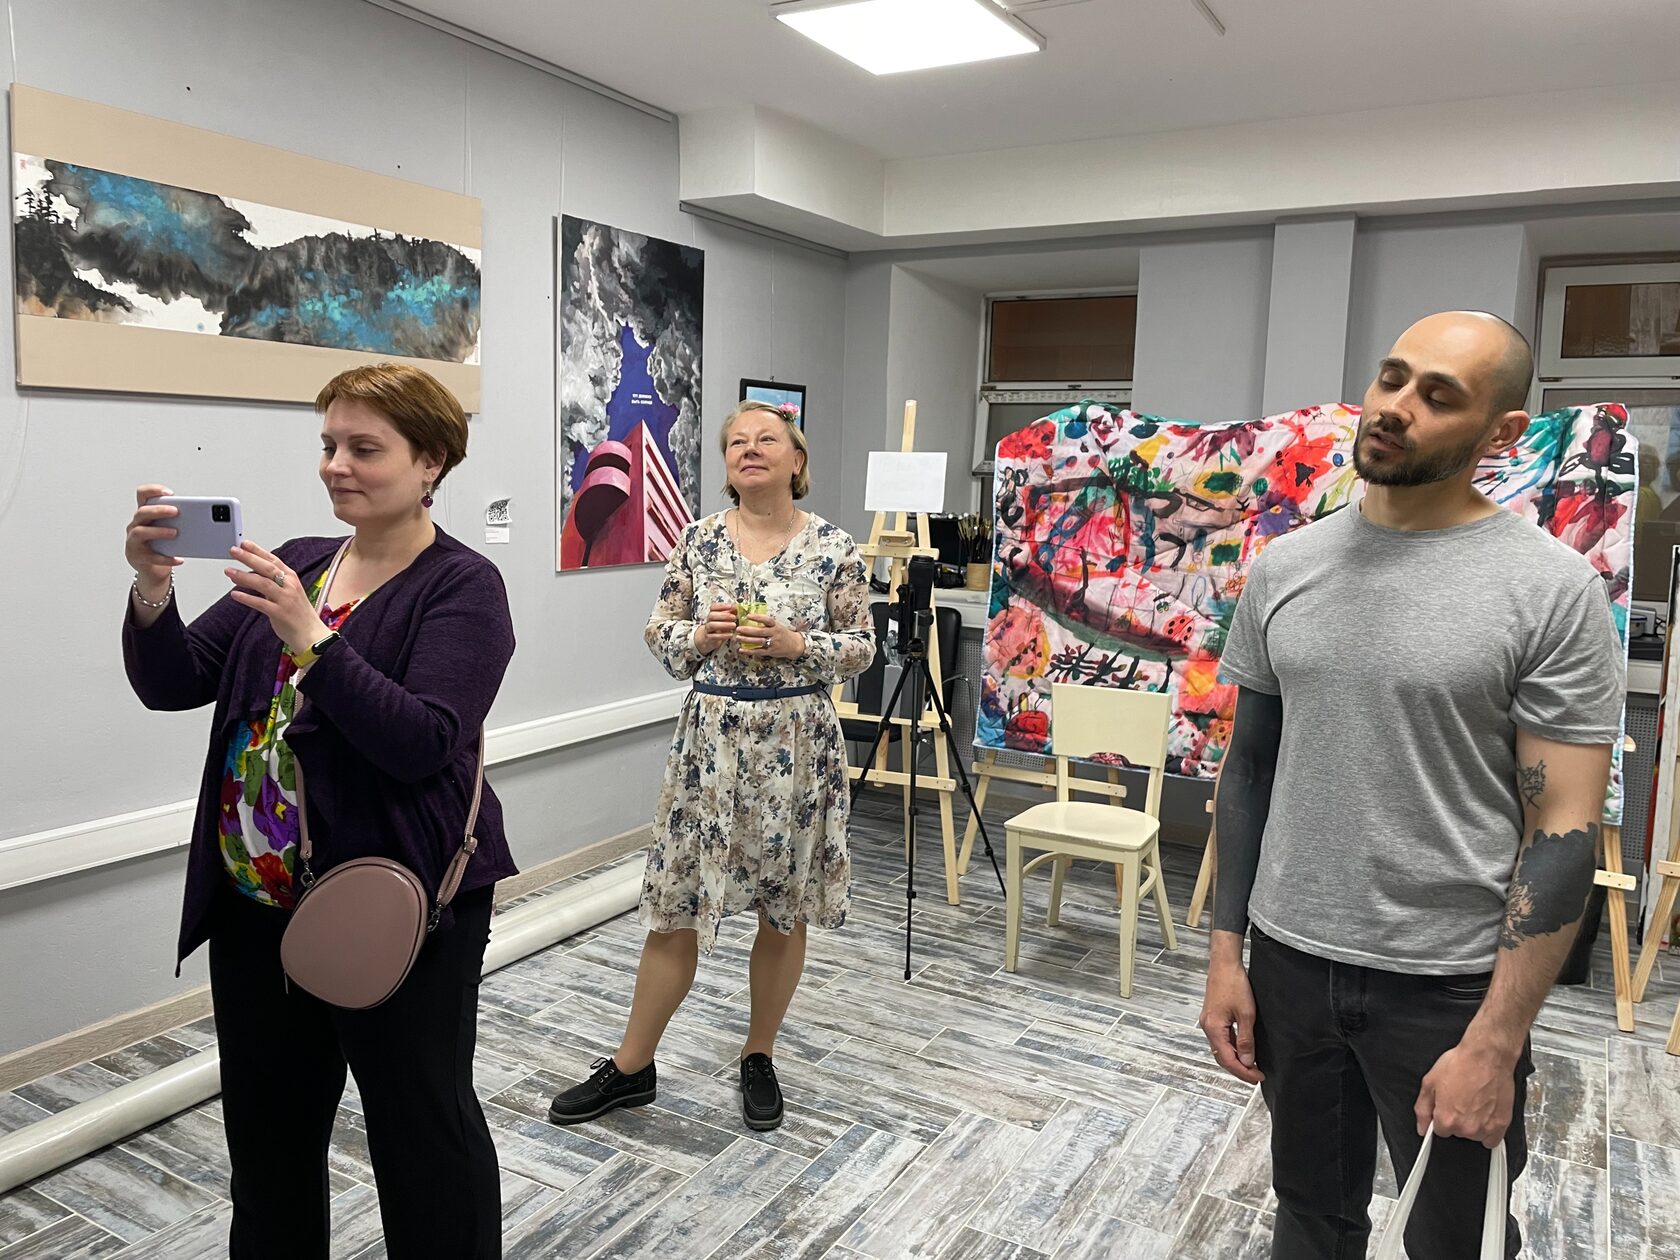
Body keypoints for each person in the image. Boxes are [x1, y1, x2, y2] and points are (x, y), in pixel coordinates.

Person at [1199, 311, 1623, 1260]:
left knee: (1455, 1239)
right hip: (1291, 963)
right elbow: (1251, 767)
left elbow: (1562, 827)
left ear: (1501, 433)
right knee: (1310, 1218)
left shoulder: (1550, 590)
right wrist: (1228, 954)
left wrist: (1497, 1040)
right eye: (1392, 378)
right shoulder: (1286, 566)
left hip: (1450, 986)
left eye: (1439, 396)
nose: (1396, 407)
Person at [122, 363, 516, 1260]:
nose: (337, 465)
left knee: (421, 1134)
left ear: (431, 462)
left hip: (396, 903)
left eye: (364, 448)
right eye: (329, 444)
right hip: (256, 904)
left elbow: (423, 740)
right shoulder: (301, 562)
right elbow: (175, 680)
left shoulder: (462, 586)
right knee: (268, 1141)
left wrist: (312, 638)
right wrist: (152, 588)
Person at [547, 399, 873, 1132]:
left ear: (796, 460)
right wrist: (696, 636)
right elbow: (659, 633)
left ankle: (759, 1054)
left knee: (782, 911)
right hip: (711, 747)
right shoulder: (697, 541)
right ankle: (632, 1066)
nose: (749, 449)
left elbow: (862, 646)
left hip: (797, 746)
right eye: (736, 442)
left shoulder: (834, 548)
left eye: (767, 439)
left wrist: (799, 646)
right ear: (726, 464)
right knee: (676, 907)